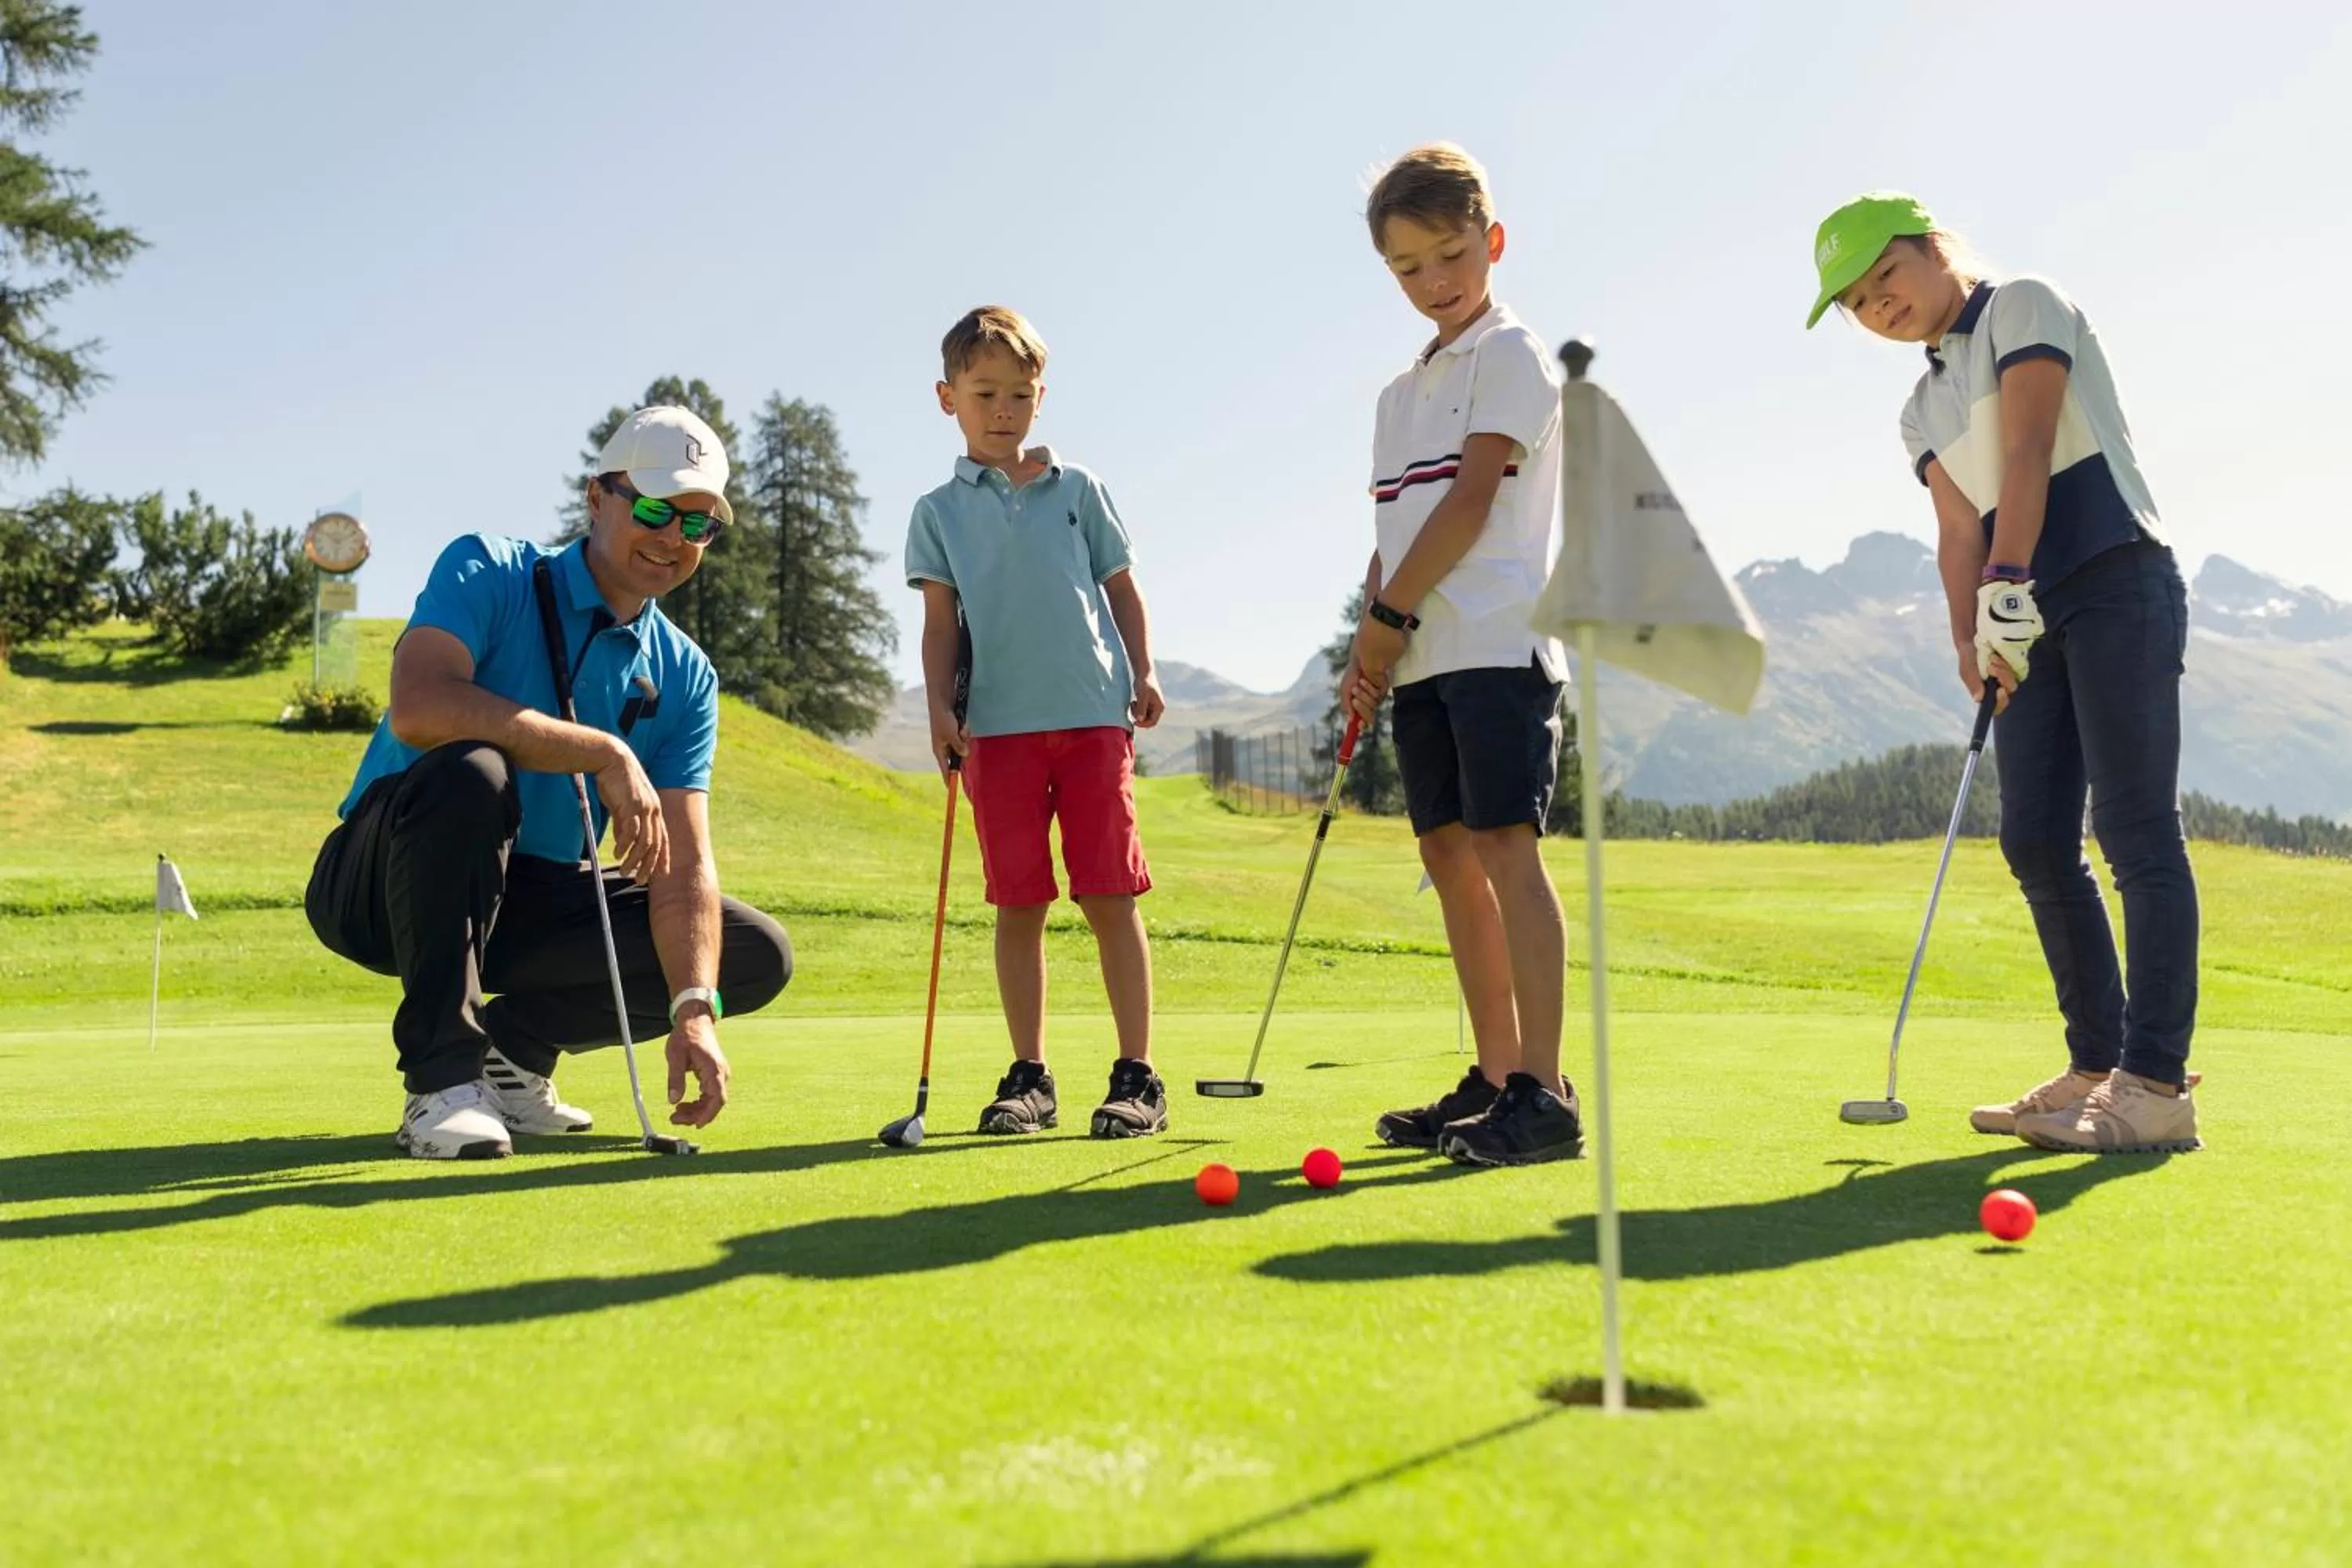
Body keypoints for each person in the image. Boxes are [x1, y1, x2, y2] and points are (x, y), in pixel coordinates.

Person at [1808, 191, 2201, 1153]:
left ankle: (2154, 1084)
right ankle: (2096, 1062)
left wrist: (2007, 582)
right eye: (1857, 301)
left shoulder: (2022, 301)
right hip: (2024, 616)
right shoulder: (1919, 408)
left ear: (1933, 248)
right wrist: (1969, 636)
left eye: (1885, 276)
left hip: (2114, 575)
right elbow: (1956, 528)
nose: (1878, 305)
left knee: (2135, 828)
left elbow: (2029, 447)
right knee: (2033, 839)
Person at [307, 406, 793, 1159]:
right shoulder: (489, 567)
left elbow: (683, 865)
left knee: (747, 952)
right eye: (656, 509)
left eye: (696, 525)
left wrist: (694, 1011)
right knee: (473, 770)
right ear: (597, 498)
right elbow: (421, 704)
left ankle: (514, 1056)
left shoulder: (687, 673)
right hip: (383, 880)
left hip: (530, 901)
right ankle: (441, 1084)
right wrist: (601, 750)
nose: (672, 539)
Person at [1345, 143, 1584, 1167]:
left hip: (1495, 640)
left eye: (1450, 257)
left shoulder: (1516, 355)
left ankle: (1544, 1090)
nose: (1435, 283)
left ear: (1491, 241)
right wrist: (1376, 634)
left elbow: (1473, 498)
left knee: (1504, 849)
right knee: (1446, 855)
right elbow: (1398, 529)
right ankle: (1492, 1078)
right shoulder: (1399, 396)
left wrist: (1384, 620)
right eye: (1409, 270)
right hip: (1423, 654)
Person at [903, 306, 1168, 1139]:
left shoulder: (1079, 490)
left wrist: (1144, 669)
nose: (1004, 410)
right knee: (1018, 903)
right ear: (949, 398)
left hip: (1093, 719)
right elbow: (941, 626)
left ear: (1040, 396)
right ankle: (1031, 1076)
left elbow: (1122, 588)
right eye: (985, 393)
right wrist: (941, 705)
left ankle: (1138, 1074)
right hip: (999, 732)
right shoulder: (937, 511)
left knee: (1109, 894)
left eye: (1020, 393)